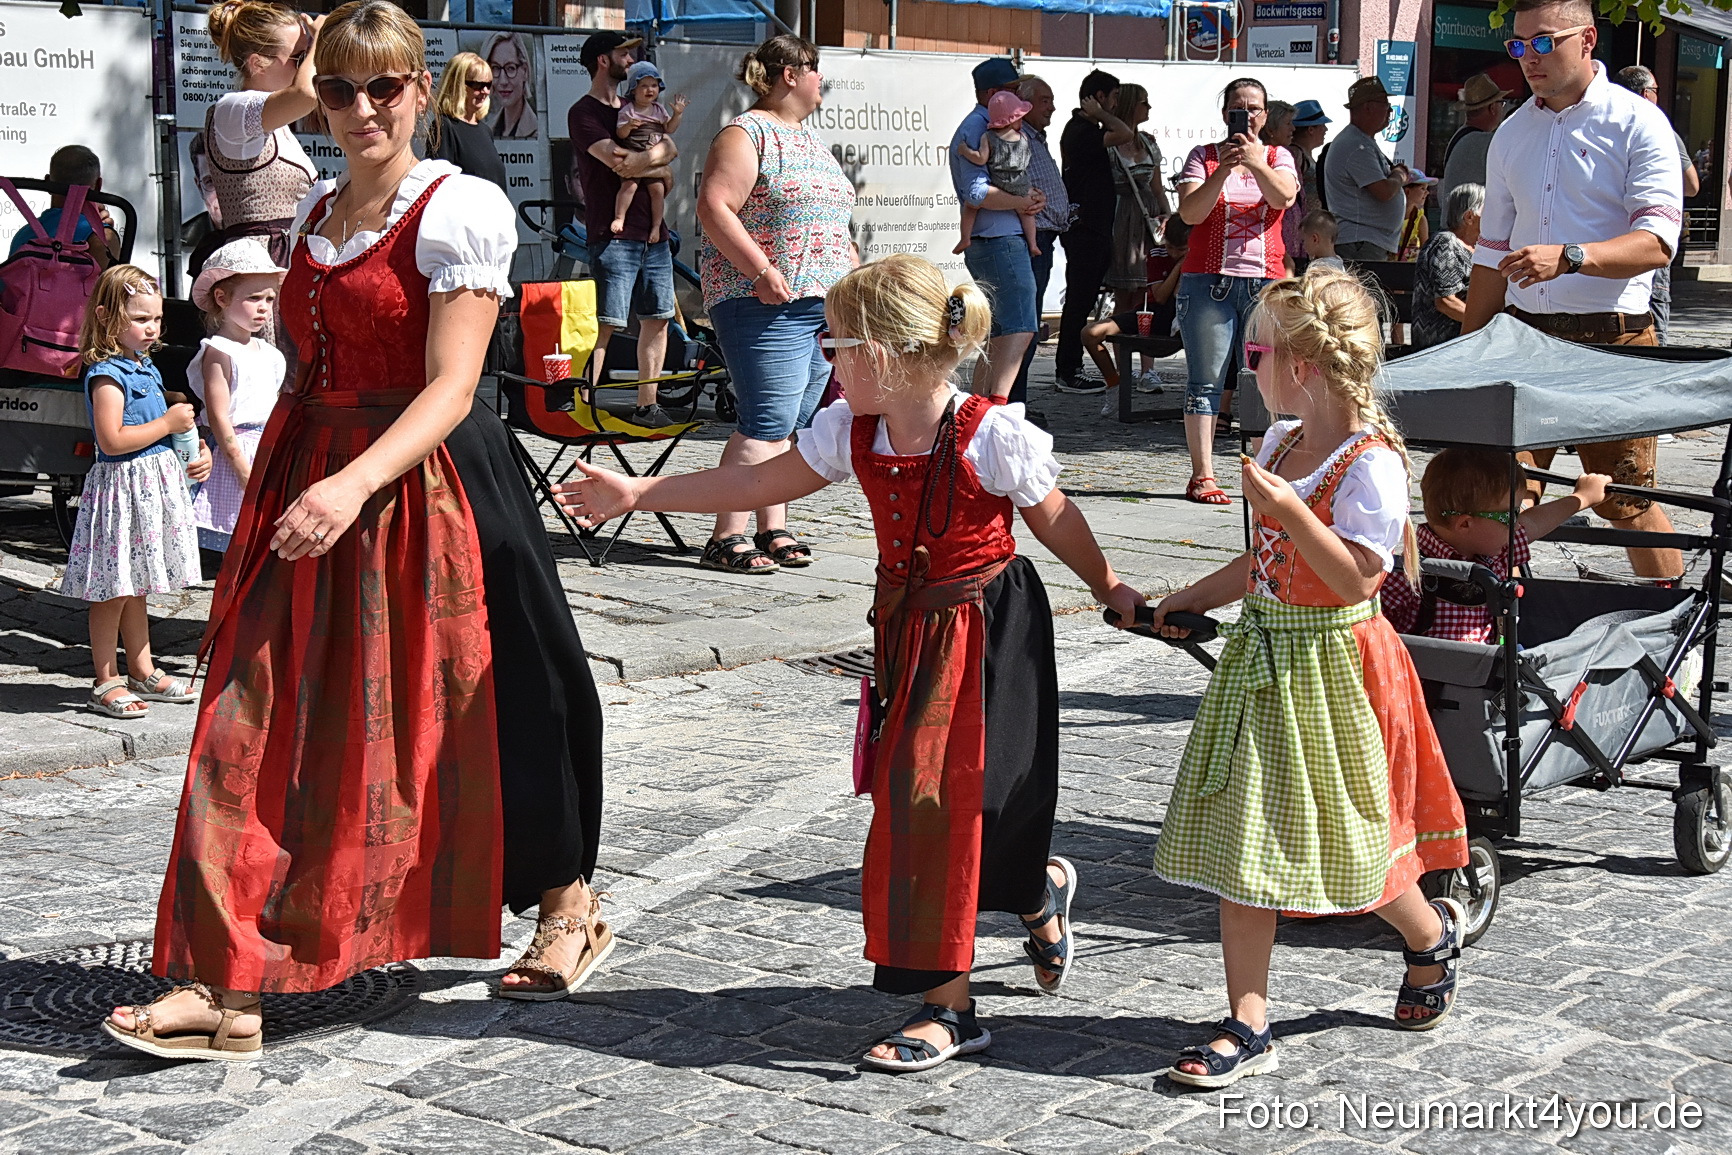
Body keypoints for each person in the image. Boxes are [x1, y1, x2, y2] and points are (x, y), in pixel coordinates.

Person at [103, 1, 609, 1061]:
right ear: (316, 99)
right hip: (312, 472)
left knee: (489, 706)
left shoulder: (457, 207)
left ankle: (567, 903)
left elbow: (456, 385)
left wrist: (353, 487)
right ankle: (226, 980)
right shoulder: (315, 210)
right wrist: (282, 477)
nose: (363, 107)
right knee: (251, 716)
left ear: (422, 91)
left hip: (431, 487)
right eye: (339, 88)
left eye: (386, 86)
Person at [550, 254, 1147, 1073]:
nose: (827, 361)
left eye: (839, 346)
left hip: (990, 628)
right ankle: (956, 992)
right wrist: (637, 495)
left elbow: (1055, 518)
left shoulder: (991, 431)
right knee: (918, 803)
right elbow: (754, 478)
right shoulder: (851, 430)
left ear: (893, 353)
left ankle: (1020, 908)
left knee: (977, 801)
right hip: (912, 630)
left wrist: (1111, 585)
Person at [1149, 268, 1470, 1088]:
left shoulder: (1373, 463)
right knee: (1245, 841)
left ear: (1302, 366)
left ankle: (1428, 934)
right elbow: (1263, 559)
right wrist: (1183, 598)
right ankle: (1247, 1020)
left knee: (1356, 847)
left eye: (1253, 351)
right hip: (1265, 660)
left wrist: (1291, 509)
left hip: (1337, 666)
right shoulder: (1280, 442)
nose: (1243, 365)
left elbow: (1357, 580)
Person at [1462, 0, 1685, 582]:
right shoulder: (1511, 133)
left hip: (1610, 341)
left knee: (1626, 505)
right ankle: (1501, 646)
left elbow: (1659, 243)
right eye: (1518, 46)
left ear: (1587, 40)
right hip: (1523, 339)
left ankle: (1674, 634)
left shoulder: (1638, 122)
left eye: (1543, 43)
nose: (1528, 59)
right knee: (1498, 500)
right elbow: (1490, 253)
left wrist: (1572, 258)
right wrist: (1464, 355)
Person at [695, 34, 856, 575]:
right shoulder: (746, 133)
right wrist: (762, 271)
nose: (821, 81)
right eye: (816, 70)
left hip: (820, 301)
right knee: (765, 419)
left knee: (792, 422)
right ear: (790, 73)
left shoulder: (808, 138)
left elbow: (833, 223)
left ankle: (771, 525)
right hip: (762, 299)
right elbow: (715, 206)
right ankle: (725, 535)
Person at [59, 265, 209, 720]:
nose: (153, 328)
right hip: (122, 492)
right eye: (142, 319)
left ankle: (142, 668)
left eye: (158, 319)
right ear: (107, 317)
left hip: (148, 487)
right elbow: (112, 440)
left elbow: (160, 431)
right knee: (112, 588)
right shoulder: (107, 375)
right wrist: (167, 422)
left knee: (136, 583)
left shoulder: (143, 366)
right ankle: (106, 679)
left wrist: (191, 447)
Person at [1174, 77, 1298, 506]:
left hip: (1264, 283)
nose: (1247, 115)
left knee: (1267, 380)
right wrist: (1225, 168)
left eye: (1255, 108)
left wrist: (1256, 163)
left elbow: (1282, 199)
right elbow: (1190, 213)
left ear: (1265, 115)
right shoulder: (1203, 158)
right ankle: (1203, 474)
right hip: (1208, 282)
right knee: (1205, 381)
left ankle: (1264, 473)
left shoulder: (1279, 155)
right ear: (1225, 113)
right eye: (1238, 108)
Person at [195, 0, 322, 357]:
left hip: (285, 260)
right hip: (259, 270)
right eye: (298, 57)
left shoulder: (273, 122)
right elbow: (305, 94)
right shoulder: (232, 109)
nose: (306, 65)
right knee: (267, 384)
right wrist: (319, 38)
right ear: (257, 63)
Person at [568, 30, 678, 427]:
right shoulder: (583, 113)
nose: (631, 62)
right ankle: (584, 401)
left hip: (654, 234)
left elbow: (671, 150)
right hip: (612, 236)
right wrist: (660, 162)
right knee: (608, 323)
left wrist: (658, 161)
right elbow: (621, 162)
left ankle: (647, 405)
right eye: (624, 54)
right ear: (603, 59)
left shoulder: (641, 106)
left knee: (658, 317)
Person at [1384, 449, 1609, 641]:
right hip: (1432, 685)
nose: (1516, 522)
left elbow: (1535, 522)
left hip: (1492, 677)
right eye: (1509, 515)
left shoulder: (1493, 549)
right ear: (1465, 524)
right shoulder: (1407, 574)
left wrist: (1583, 497)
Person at [951, 57, 1047, 402]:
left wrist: (1030, 196)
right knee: (1021, 327)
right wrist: (1022, 203)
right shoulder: (980, 128)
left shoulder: (991, 125)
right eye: (1011, 89)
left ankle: (977, 409)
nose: (1019, 94)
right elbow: (975, 193)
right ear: (993, 93)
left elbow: (1007, 183)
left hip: (999, 238)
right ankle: (997, 406)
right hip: (997, 240)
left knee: (1004, 329)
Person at [185, 239, 288, 555]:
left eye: (269, 299)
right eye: (254, 298)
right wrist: (242, 469)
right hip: (234, 455)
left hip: (265, 449)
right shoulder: (219, 352)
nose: (263, 307)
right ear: (222, 298)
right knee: (237, 543)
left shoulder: (271, 355)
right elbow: (219, 417)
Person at [1055, 70, 1131, 393]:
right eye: (1113, 97)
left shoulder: (1088, 128)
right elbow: (1125, 133)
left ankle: (1070, 366)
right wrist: (1101, 115)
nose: (1116, 104)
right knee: (1079, 299)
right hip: (1084, 228)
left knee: (1083, 299)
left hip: (1096, 226)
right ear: (1099, 97)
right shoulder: (1081, 130)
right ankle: (1068, 369)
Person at [1614, 65, 1701, 344]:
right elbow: (1691, 186)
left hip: (1602, 243)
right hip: (1647, 237)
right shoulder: (1656, 126)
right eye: (1655, 91)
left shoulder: (1595, 125)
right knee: (1652, 321)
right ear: (1645, 93)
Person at [1010, 74, 1070, 420]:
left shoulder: (1037, 138)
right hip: (1028, 241)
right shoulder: (1017, 139)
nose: (1052, 107)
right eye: (1045, 100)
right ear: (1026, 103)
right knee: (1022, 326)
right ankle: (1012, 404)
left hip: (1044, 238)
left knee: (1027, 327)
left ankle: (1016, 400)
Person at [1083, 218, 1189, 413]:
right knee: (1090, 333)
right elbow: (1160, 296)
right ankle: (1114, 384)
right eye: (1170, 247)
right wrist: (1179, 267)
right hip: (1154, 311)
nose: (1173, 253)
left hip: (1186, 314)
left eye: (1181, 250)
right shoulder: (1158, 254)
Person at [1103, 85, 1171, 332]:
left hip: (1149, 219)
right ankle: (1123, 361)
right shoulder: (1109, 144)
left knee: (1148, 292)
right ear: (1131, 105)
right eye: (1144, 102)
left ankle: (1146, 365)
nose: (1149, 107)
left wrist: (1168, 216)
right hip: (1122, 218)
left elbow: (1158, 188)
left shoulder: (1148, 143)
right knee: (1125, 295)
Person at [1324, 76, 1410, 262]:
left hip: (1365, 240)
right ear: (1368, 107)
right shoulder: (1355, 145)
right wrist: (1399, 175)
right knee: (1363, 291)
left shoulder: (1361, 141)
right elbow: (1384, 191)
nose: (1389, 111)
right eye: (1385, 105)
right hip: (1360, 242)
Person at [955, 90, 1039, 258]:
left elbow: (980, 159)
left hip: (998, 182)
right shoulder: (1023, 138)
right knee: (1027, 213)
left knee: (970, 206)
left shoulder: (988, 137)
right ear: (1013, 119)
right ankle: (1033, 244)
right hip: (1020, 183)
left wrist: (964, 151)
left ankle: (965, 238)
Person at [613, 61, 687, 243]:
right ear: (633, 90)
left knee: (658, 190)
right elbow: (620, 133)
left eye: (653, 85)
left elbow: (669, 129)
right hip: (633, 153)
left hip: (654, 159)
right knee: (628, 187)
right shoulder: (628, 110)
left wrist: (677, 114)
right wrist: (628, 126)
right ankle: (619, 217)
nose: (650, 90)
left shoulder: (659, 110)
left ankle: (656, 226)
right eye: (644, 86)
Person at [7, 145, 119, 265]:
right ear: (98, 185)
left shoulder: (22, 236)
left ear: (48, 183)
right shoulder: (103, 238)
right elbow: (113, 282)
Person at [1411, 182, 1482, 349]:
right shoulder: (1445, 243)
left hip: (1466, 341)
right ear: (1469, 216)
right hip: (1441, 345)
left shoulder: (1479, 248)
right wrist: (1487, 326)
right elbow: (1446, 302)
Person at [429, 51, 507, 191]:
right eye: (477, 85)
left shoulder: (485, 131)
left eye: (488, 85)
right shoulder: (444, 127)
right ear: (457, 85)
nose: (485, 91)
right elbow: (440, 188)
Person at [1438, 74, 1511, 207]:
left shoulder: (1461, 136)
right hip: (1468, 225)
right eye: (1502, 103)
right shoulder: (1483, 142)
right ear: (1493, 108)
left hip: (1457, 223)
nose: (1502, 108)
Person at [1262, 101, 1301, 274]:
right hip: (1276, 243)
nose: (1293, 128)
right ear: (1270, 129)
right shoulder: (1264, 160)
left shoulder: (1287, 155)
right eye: (1287, 123)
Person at [481, 31, 538, 139]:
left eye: (510, 68)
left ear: (525, 71)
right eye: (495, 68)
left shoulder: (538, 131)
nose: (503, 81)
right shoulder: (487, 129)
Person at [1396, 170, 1437, 262]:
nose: (1427, 193)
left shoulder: (1420, 219)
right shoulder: (1390, 215)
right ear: (1407, 191)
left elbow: (1424, 250)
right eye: (1422, 189)